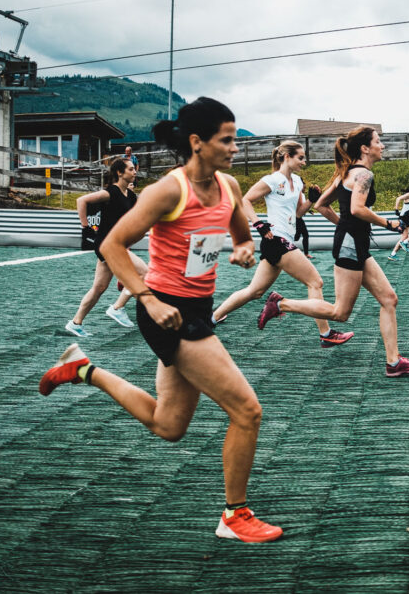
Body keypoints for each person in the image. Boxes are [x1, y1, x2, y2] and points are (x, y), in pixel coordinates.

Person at [39, 97, 283, 542]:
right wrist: (148, 299)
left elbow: (240, 232)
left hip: (197, 309)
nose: (234, 147)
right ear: (197, 142)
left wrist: (244, 248)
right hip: (168, 314)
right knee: (248, 411)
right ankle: (235, 515)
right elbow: (112, 246)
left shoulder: (227, 186)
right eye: (226, 140)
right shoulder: (167, 191)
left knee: (168, 426)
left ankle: (83, 368)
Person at [257, 126, 409, 377]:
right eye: (378, 141)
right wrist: (388, 224)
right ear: (365, 148)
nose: (383, 146)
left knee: (389, 298)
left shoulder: (347, 173)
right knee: (340, 312)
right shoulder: (363, 176)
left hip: (353, 243)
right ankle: (281, 304)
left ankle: (394, 363)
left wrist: (343, 227)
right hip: (350, 245)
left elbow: (323, 205)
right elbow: (357, 209)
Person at [211, 141, 353, 348]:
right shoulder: (272, 180)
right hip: (275, 239)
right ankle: (326, 333)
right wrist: (258, 224)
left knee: (255, 291)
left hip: (282, 240)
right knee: (315, 282)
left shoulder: (296, 181)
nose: (304, 162)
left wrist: (311, 200)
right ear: (287, 157)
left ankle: (211, 318)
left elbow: (298, 213)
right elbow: (245, 200)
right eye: (300, 158)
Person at [66, 158, 146, 337]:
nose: (135, 172)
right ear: (120, 173)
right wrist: (86, 227)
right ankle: (118, 307)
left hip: (116, 245)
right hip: (108, 245)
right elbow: (81, 201)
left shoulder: (131, 196)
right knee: (144, 273)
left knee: (99, 288)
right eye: (131, 169)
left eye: (135, 169)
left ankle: (75, 323)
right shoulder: (110, 192)